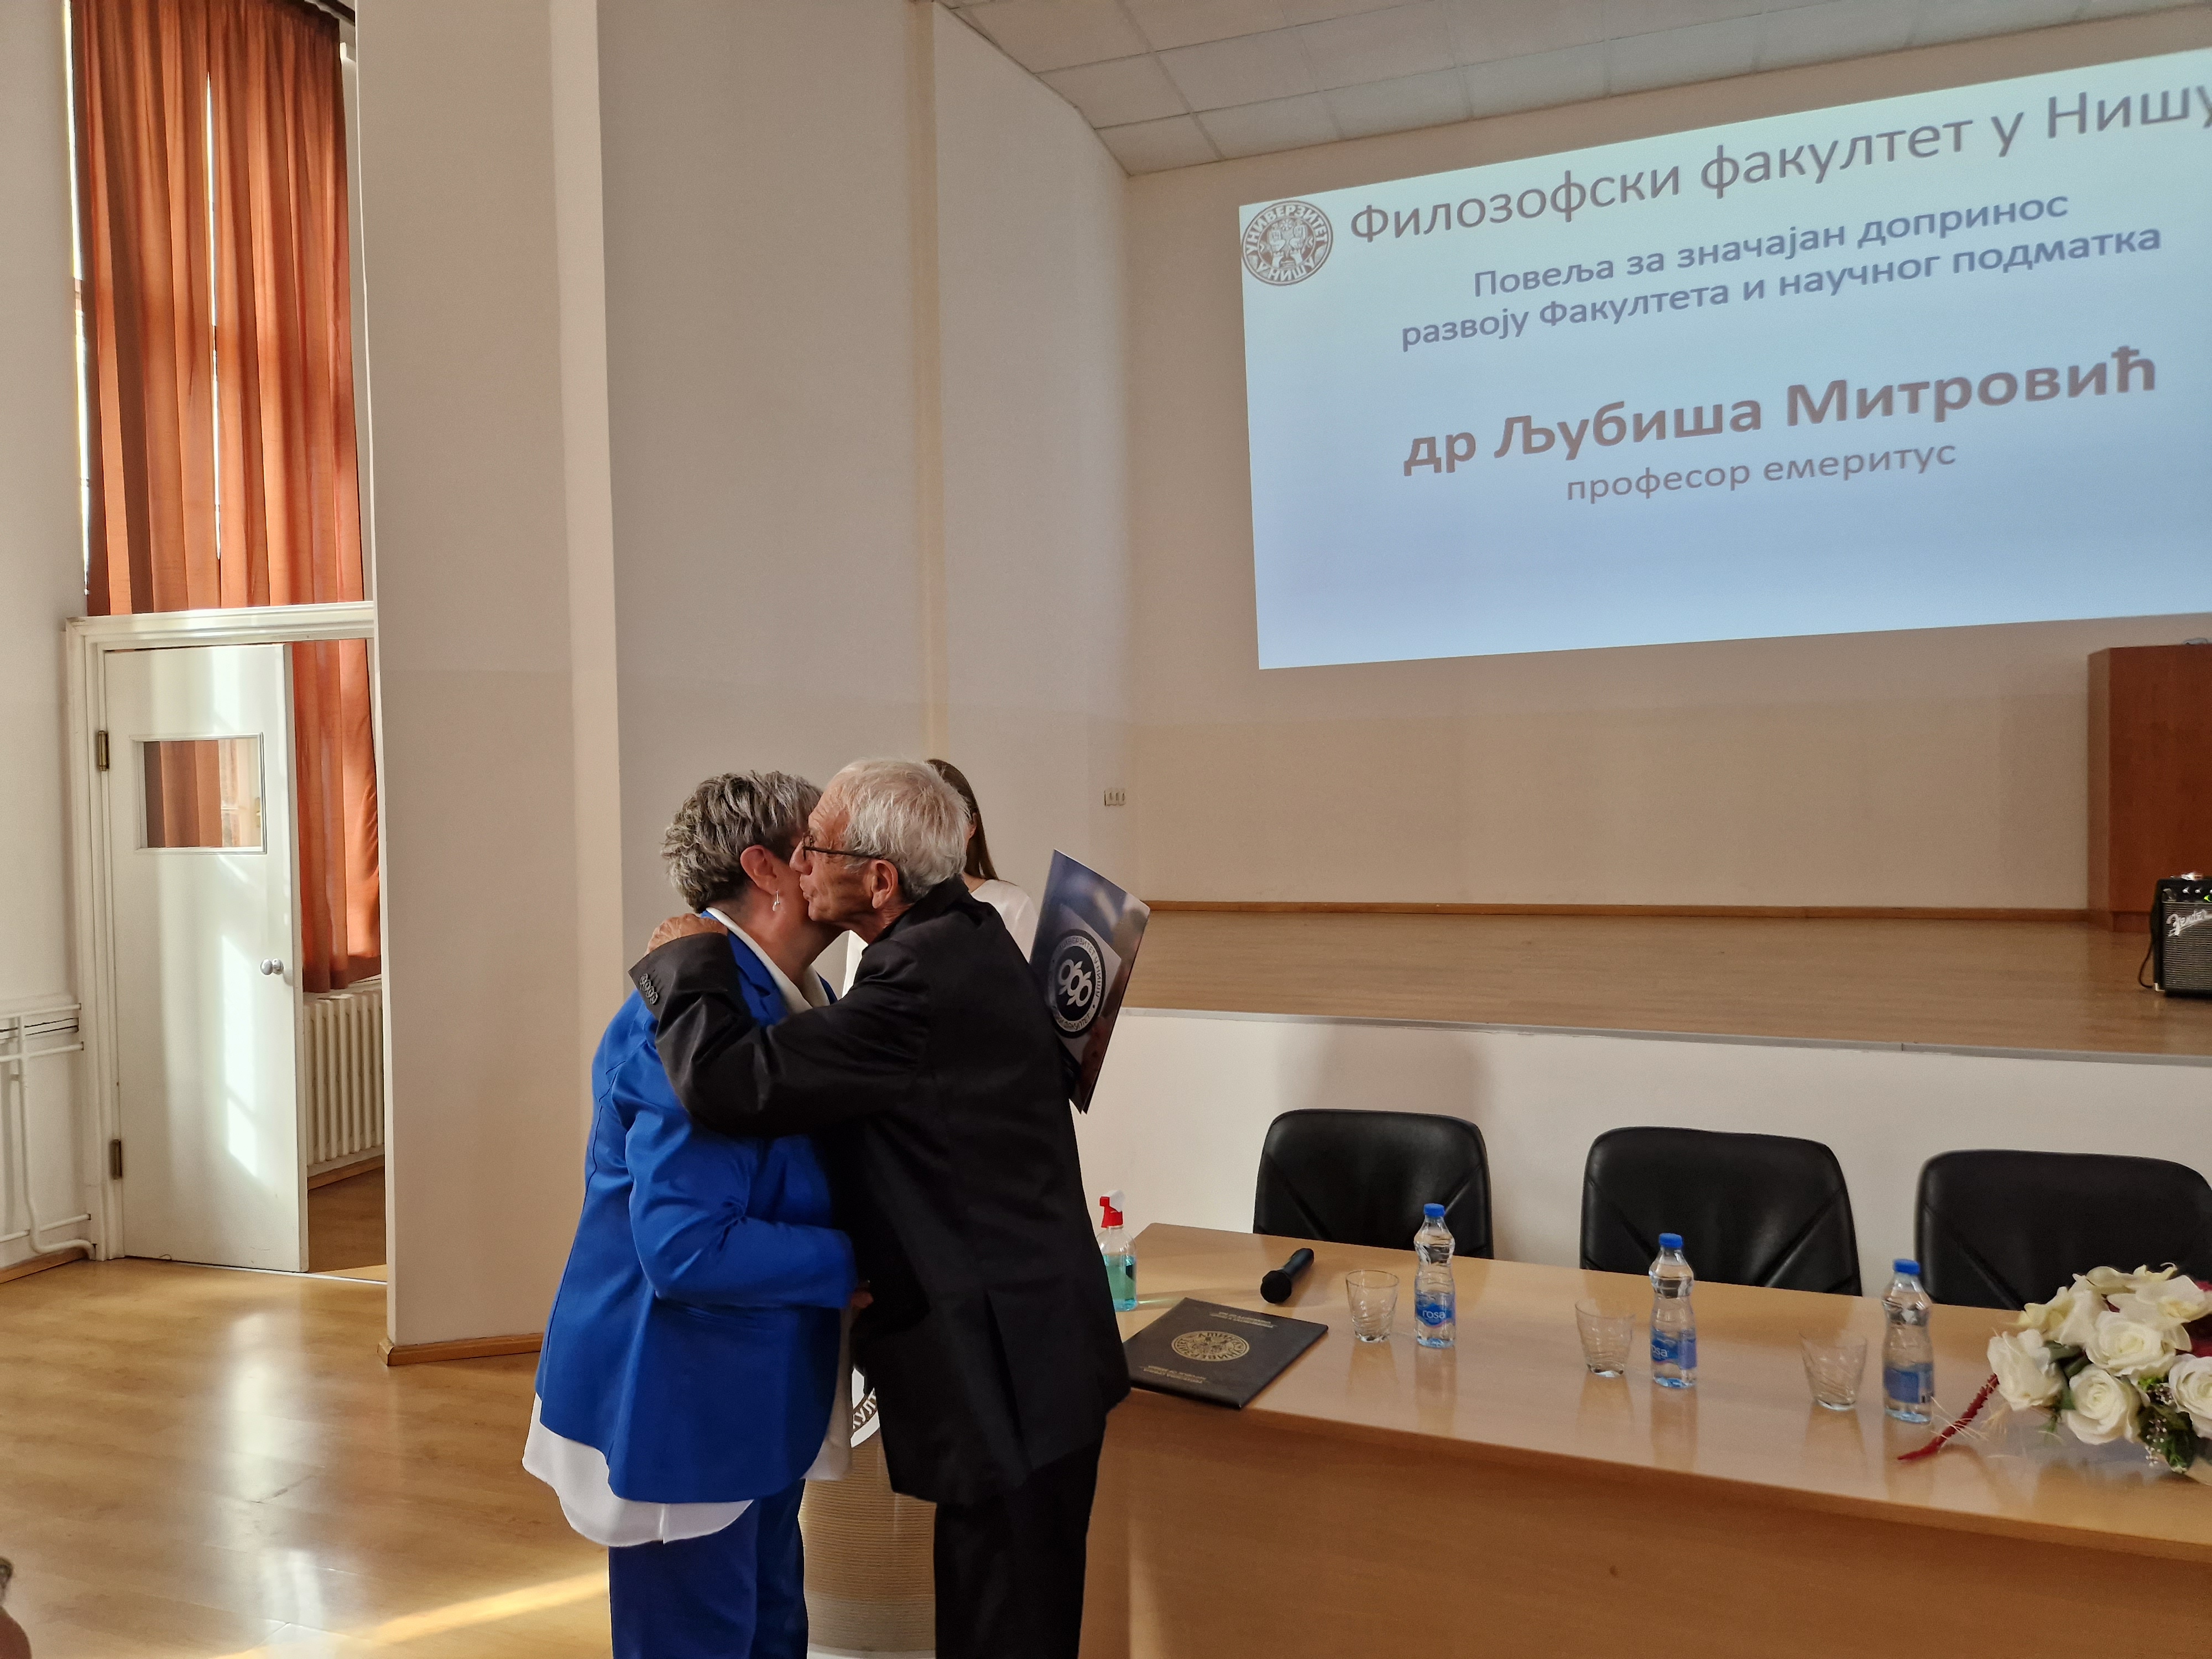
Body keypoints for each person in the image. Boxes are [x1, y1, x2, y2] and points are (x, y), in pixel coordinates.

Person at [632, 758, 1128, 1659]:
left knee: (1004, 1619)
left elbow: (730, 1082)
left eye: (817, 850)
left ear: (881, 881)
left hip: (1010, 1365)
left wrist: (685, 958)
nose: (802, 866)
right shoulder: (965, 932)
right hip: (1034, 1345)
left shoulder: (915, 982)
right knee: (1008, 1602)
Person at [527, 771, 860, 1659]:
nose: (852, 865)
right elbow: (687, 1249)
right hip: (682, 1392)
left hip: (755, 1381)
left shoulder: (794, 995)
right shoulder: (689, 1021)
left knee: (770, 1626)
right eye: (825, 847)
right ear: (767, 869)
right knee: (700, 1637)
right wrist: (856, 1262)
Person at [927, 758, 1039, 957]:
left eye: (951, 821)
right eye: (925, 822)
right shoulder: (886, 909)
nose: (938, 835)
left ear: (972, 825)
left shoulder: (1011, 905)